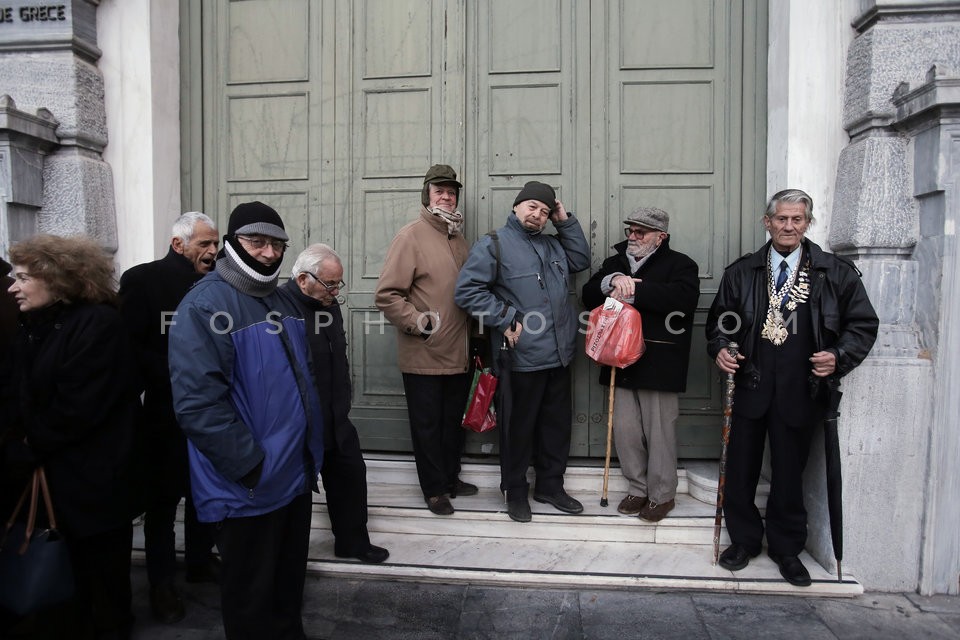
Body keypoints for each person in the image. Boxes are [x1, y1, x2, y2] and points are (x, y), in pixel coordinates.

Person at [705, 188, 878, 587]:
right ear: (768, 222)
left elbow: (863, 325)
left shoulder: (833, 272)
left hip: (801, 390)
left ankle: (786, 548)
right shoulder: (742, 271)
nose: (788, 226)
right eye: (781, 219)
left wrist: (839, 355)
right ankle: (743, 542)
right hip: (750, 385)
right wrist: (720, 349)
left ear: (807, 223)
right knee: (741, 469)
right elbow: (721, 323)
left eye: (797, 219)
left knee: (789, 473)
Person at [169, 202, 324, 639]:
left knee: (286, 592)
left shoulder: (282, 299)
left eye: (277, 244)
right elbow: (198, 406)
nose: (270, 254)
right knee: (251, 601)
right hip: (248, 485)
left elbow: (303, 378)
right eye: (258, 242)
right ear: (234, 244)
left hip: (292, 478)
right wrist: (252, 466)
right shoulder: (204, 305)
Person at [4, 234, 141, 639]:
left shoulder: (99, 325)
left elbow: (78, 408)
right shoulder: (35, 324)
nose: (13, 286)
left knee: (101, 583)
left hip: (96, 485)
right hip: (59, 481)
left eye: (23, 277)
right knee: (66, 586)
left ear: (57, 279)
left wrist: (28, 444)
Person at [455, 181, 590, 523]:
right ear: (516, 207)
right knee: (518, 429)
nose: (538, 215)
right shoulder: (495, 244)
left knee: (555, 427)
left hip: (560, 355)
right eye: (532, 207)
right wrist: (505, 316)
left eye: (544, 211)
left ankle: (550, 486)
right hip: (520, 357)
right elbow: (467, 291)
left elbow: (580, 259)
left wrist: (564, 220)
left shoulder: (553, 245)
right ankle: (515, 491)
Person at [118, 212, 221, 623]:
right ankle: (161, 583)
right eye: (204, 244)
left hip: (213, 412)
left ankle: (199, 561)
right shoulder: (142, 280)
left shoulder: (219, 282)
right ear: (179, 245)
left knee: (204, 493)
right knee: (162, 504)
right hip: (165, 415)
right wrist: (180, 376)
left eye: (215, 243)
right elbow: (129, 348)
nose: (213, 251)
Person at [581, 207, 700, 522]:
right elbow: (588, 293)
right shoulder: (615, 263)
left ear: (661, 236)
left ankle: (662, 495)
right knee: (626, 430)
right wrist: (612, 280)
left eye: (640, 232)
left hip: (659, 360)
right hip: (618, 359)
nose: (632, 237)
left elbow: (684, 301)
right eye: (630, 231)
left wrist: (636, 290)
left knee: (659, 431)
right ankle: (637, 488)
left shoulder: (681, 264)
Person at [374, 164, 476, 516]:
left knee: (453, 423)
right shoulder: (411, 236)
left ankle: (450, 478)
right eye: (439, 190)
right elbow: (387, 294)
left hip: (460, 353)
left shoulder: (459, 239)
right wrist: (421, 323)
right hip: (425, 353)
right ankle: (434, 490)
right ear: (427, 195)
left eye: (451, 191)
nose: (446, 196)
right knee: (428, 425)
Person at [281, 243, 389, 564]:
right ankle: (289, 560)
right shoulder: (279, 308)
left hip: (335, 415)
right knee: (295, 495)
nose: (336, 291)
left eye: (338, 283)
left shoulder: (329, 304)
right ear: (303, 279)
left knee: (350, 475)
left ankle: (353, 542)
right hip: (300, 421)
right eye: (330, 284)